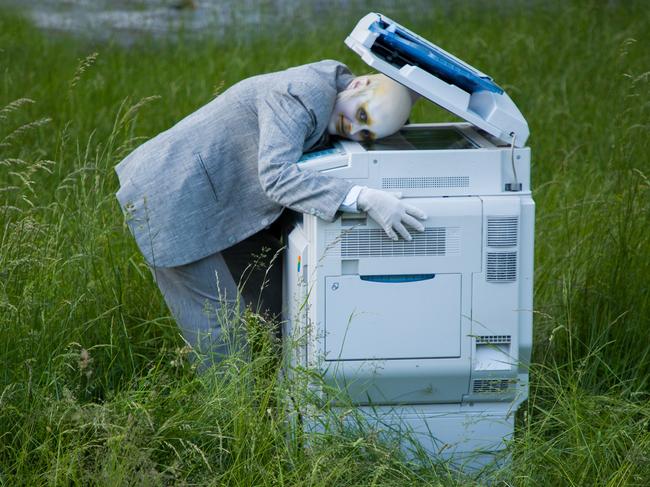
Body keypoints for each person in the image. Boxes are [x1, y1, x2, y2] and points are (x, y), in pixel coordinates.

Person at [114, 60, 427, 364]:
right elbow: (276, 177)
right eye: (360, 114)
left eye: (366, 132)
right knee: (219, 325)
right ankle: (232, 413)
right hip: (173, 194)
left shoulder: (332, 98)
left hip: (226, 201)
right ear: (359, 84)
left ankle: (287, 389)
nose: (354, 127)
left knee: (281, 296)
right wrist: (362, 197)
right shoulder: (303, 94)